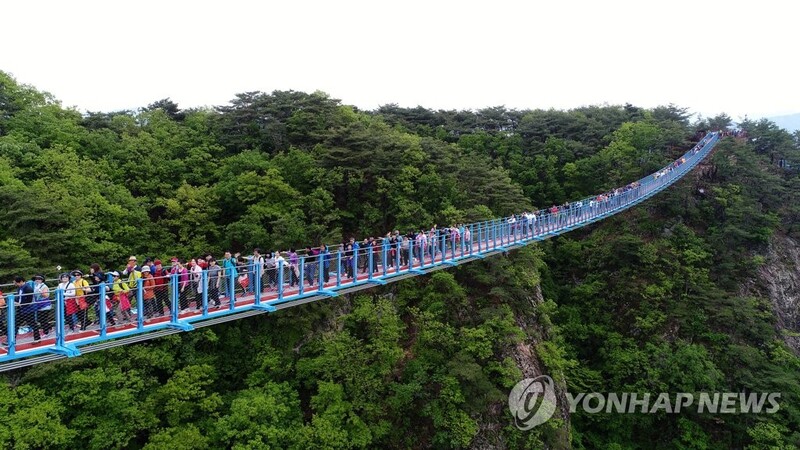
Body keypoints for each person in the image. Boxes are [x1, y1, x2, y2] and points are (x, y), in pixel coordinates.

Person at [14, 276, 39, 341]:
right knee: (15, 323)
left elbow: (29, 300)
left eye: (16, 283)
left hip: (28, 309)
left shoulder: (28, 288)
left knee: (32, 323)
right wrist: (16, 302)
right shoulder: (20, 288)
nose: (15, 285)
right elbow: (18, 297)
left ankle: (37, 338)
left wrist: (19, 304)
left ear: (21, 282)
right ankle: (12, 340)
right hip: (21, 309)